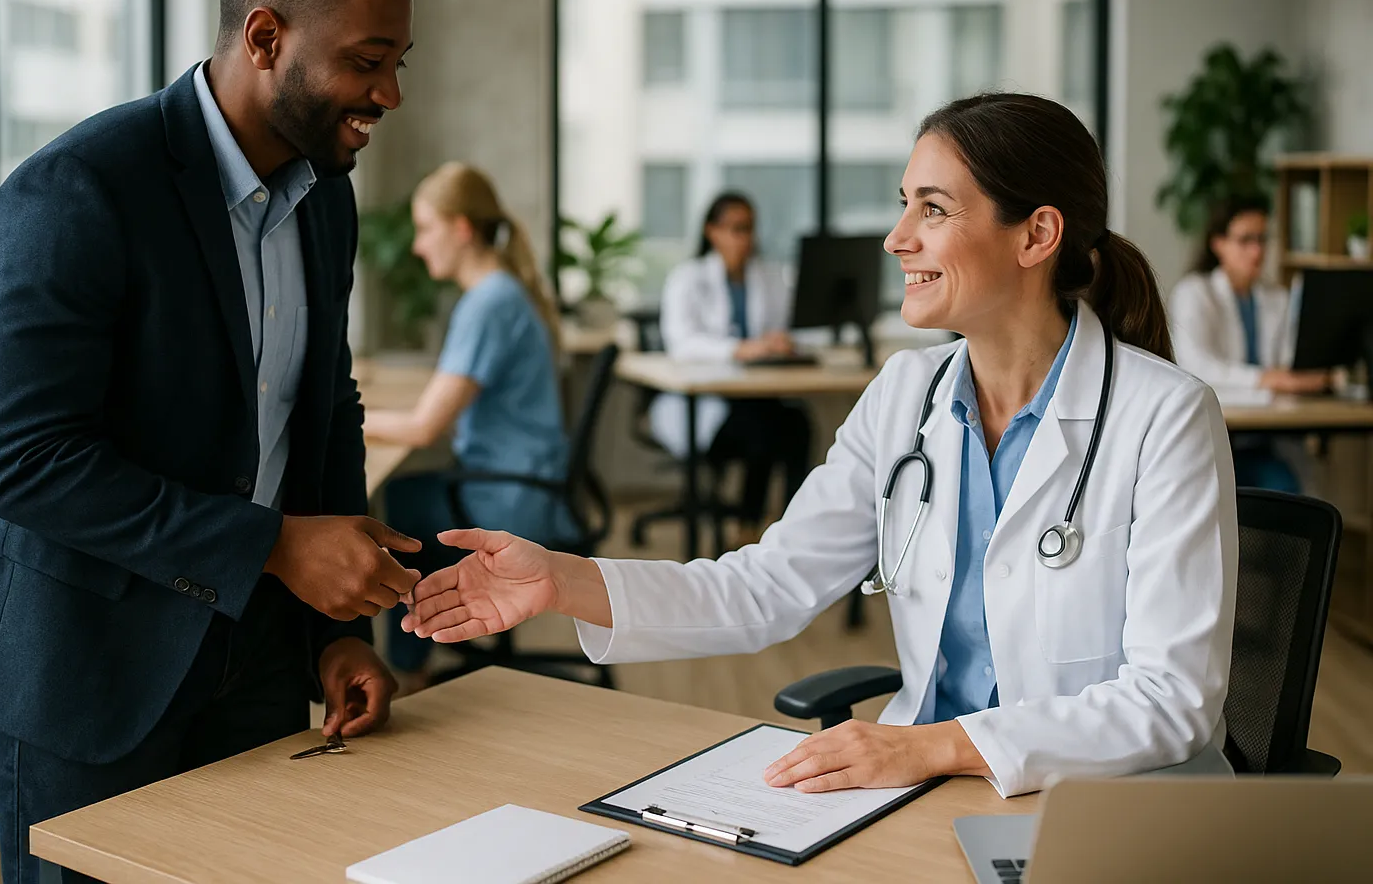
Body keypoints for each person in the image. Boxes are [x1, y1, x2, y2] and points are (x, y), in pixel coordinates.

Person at [406, 93, 1239, 799]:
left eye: (934, 209)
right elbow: (767, 588)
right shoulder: (904, 398)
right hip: (929, 788)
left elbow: (1171, 702)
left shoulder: (1163, 417)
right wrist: (563, 580)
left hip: (1104, 806)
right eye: (904, 202)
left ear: (1036, 235)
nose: (897, 237)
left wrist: (936, 746)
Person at [0, 0, 420, 883]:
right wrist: (275, 546)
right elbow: (25, 464)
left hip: (256, 653)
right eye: (368, 59)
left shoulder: (328, 195)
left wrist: (334, 633)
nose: (389, 91)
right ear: (265, 37)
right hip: (87, 666)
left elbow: (322, 411)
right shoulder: (75, 191)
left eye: (400, 60)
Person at [363, 162, 575, 690]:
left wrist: (348, 416)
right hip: (525, 482)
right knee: (410, 495)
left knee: (400, 513)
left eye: (425, 227)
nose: (416, 245)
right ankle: (418, 657)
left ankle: (410, 672)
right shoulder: (501, 294)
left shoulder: (489, 304)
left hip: (510, 498)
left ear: (461, 229)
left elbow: (423, 428)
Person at [650, 191, 814, 534]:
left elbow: (786, 326)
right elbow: (682, 344)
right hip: (706, 402)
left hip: (756, 395)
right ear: (712, 231)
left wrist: (779, 341)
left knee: (798, 425)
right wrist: (738, 349)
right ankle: (748, 524)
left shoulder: (768, 277)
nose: (746, 238)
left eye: (750, 228)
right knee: (764, 430)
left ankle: (791, 533)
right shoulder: (688, 279)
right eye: (736, 228)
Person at [1171, 198, 1330, 492]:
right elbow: (1196, 367)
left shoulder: (1276, 297)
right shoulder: (1194, 293)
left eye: (1261, 239)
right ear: (1218, 243)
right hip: (1212, 444)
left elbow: (1287, 362)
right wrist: (1267, 379)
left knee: (1290, 498)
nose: (1257, 251)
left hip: (1264, 442)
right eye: (1245, 240)